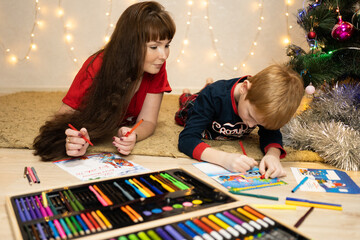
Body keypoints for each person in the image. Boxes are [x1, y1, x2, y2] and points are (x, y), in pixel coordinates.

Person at [33, 1, 176, 161]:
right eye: (154, 47)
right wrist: (74, 140)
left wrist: (134, 135)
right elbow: (62, 119)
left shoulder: (155, 67)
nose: (164, 55)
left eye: (167, 45)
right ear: (131, 46)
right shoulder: (96, 65)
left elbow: (148, 121)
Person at [175, 64, 304, 178]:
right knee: (186, 106)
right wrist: (224, 158)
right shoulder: (214, 96)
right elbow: (186, 140)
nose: (251, 125)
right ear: (244, 88)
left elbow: (272, 134)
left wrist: (273, 155)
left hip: (214, 98)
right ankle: (186, 93)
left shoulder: (261, 103)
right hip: (199, 102)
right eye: (251, 116)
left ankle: (207, 83)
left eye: (259, 124)